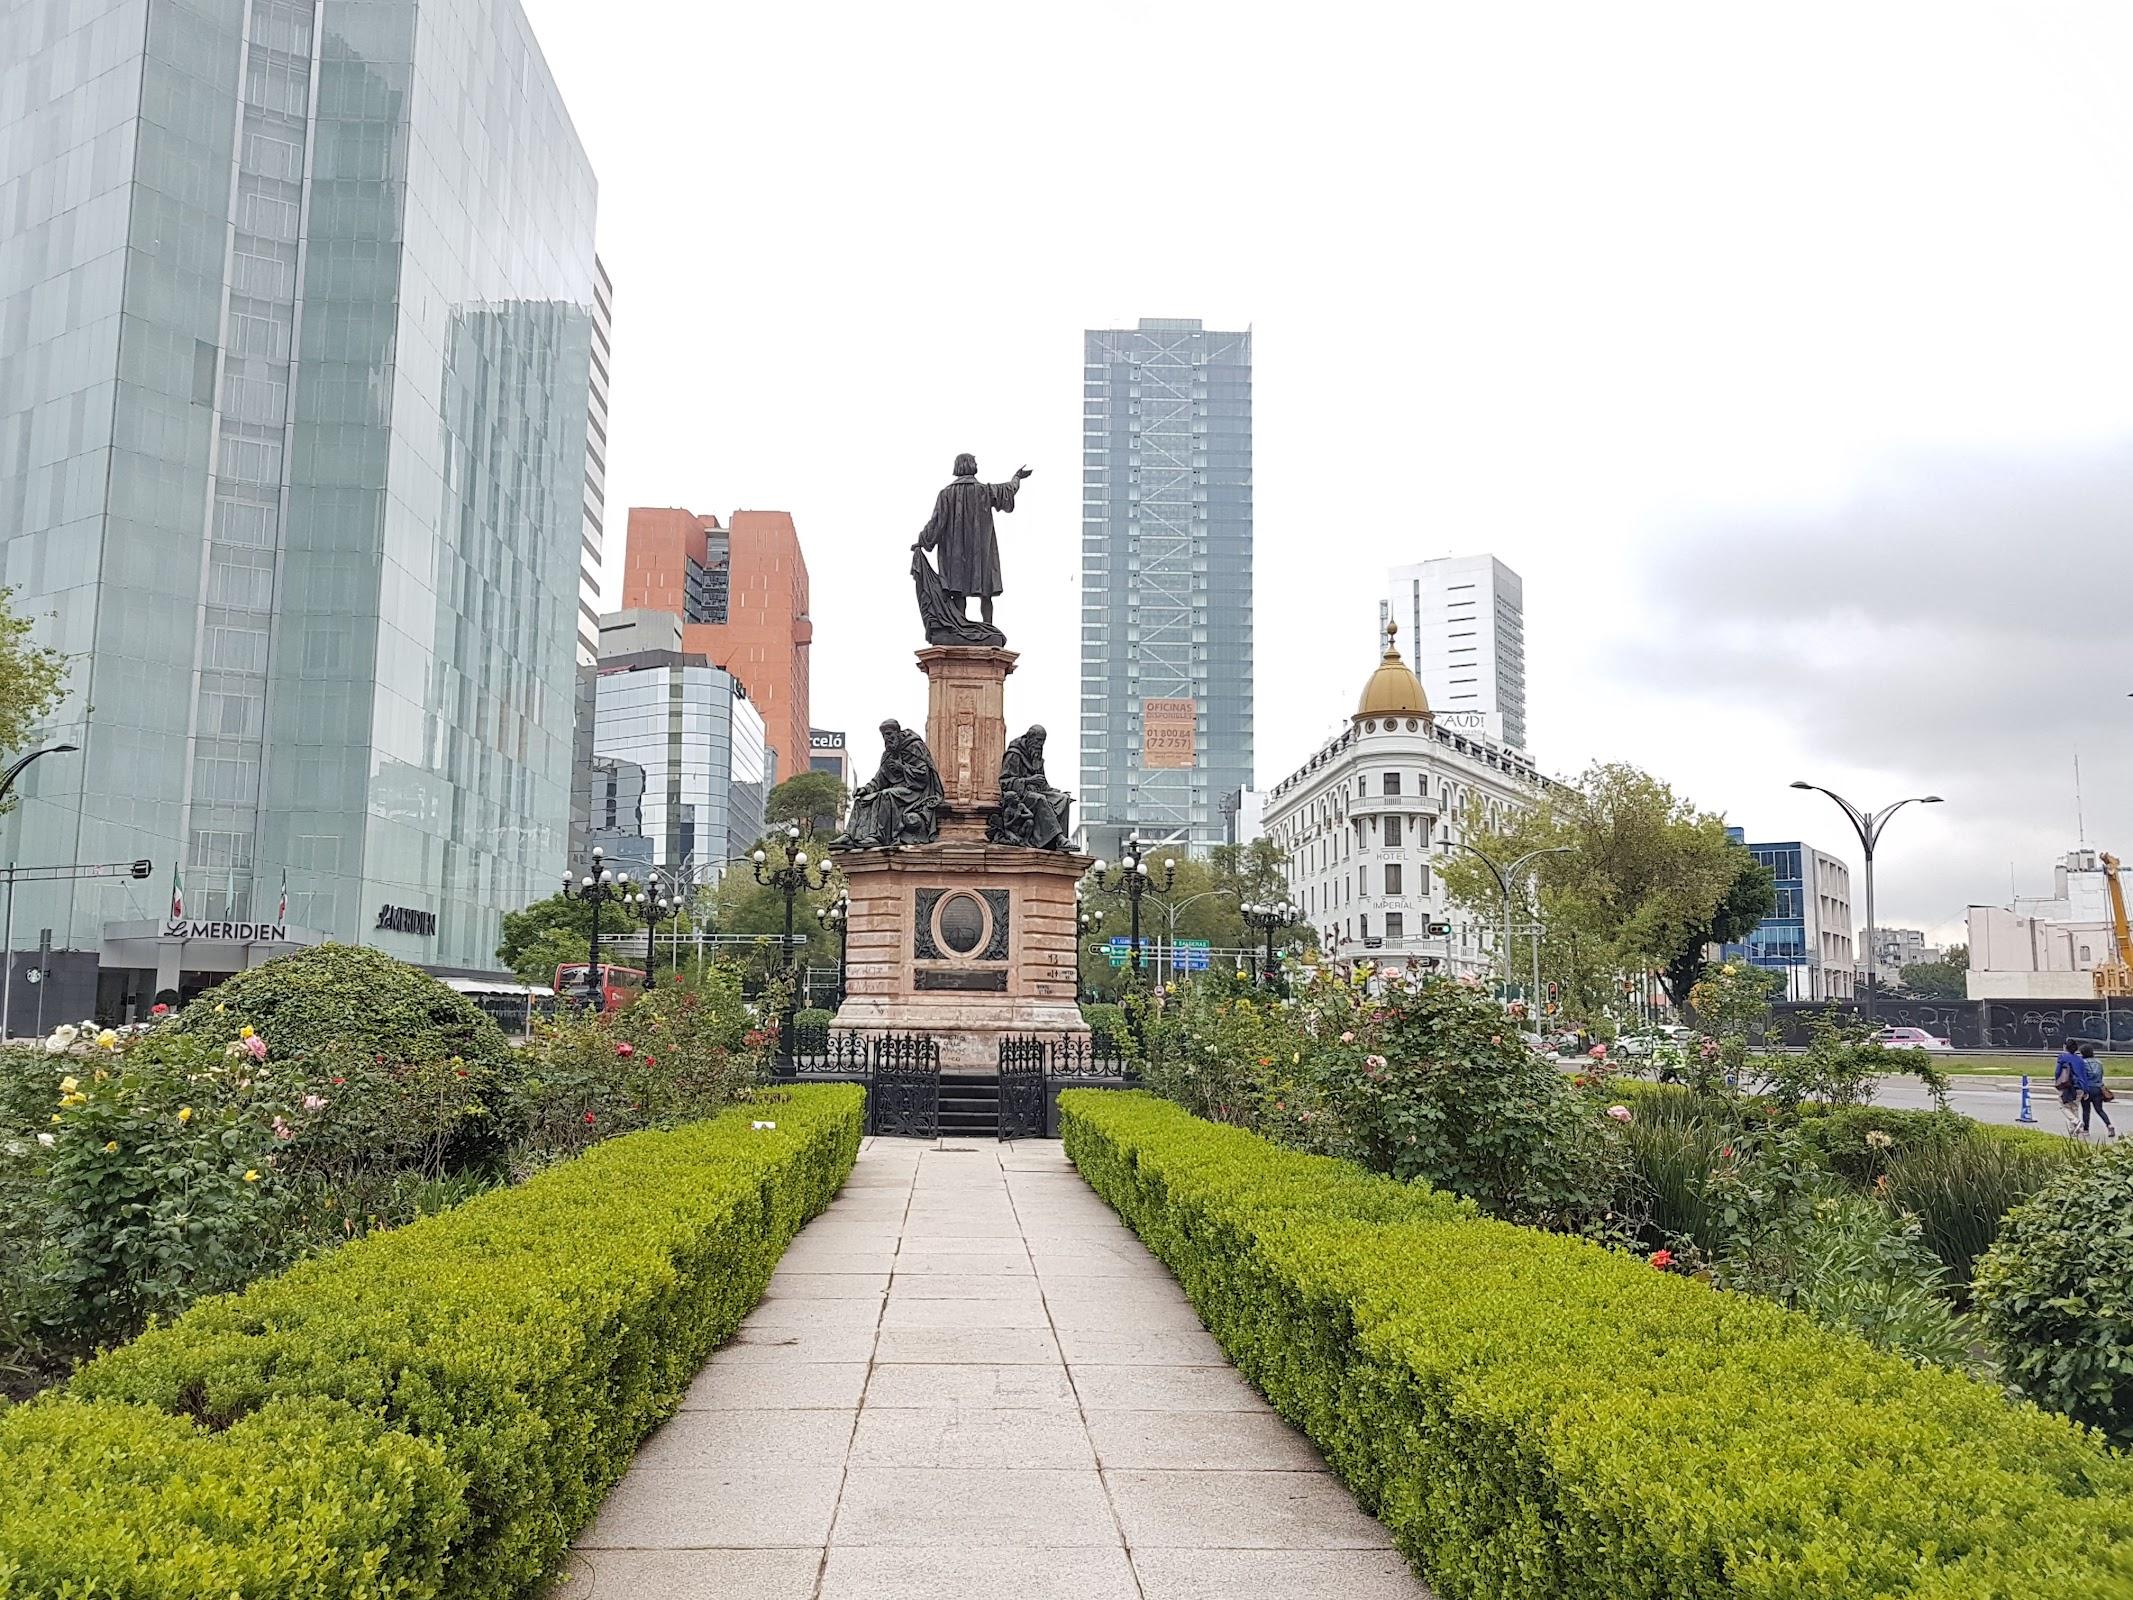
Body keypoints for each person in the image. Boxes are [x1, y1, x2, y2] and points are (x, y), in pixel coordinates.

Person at [911, 454, 1031, 630]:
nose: (976, 464)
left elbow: (936, 523)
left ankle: (960, 626)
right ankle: (988, 627)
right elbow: (1009, 490)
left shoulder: (946, 494)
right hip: (980, 554)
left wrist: (922, 541)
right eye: (974, 461)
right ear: (967, 465)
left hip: (955, 555)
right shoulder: (984, 491)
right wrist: (1017, 477)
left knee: (958, 593)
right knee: (985, 592)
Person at [2075, 1042, 2115, 1141]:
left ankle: (2086, 1130)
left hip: (2087, 1088)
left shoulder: (2082, 1063)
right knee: (2099, 1109)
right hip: (2098, 1088)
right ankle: (2109, 1125)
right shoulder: (2099, 1062)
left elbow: (2082, 1077)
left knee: (2086, 1110)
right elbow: (2101, 1076)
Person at [2055, 1041, 2086, 1135]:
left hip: (2068, 1086)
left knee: (2063, 1105)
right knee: (2075, 1107)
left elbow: (2057, 1072)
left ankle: (2075, 1121)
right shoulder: (2080, 1060)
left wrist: (2058, 1082)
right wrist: (2086, 1089)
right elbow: (2084, 1075)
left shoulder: (2062, 1058)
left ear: (2065, 1047)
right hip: (2080, 1086)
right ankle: (2074, 1129)